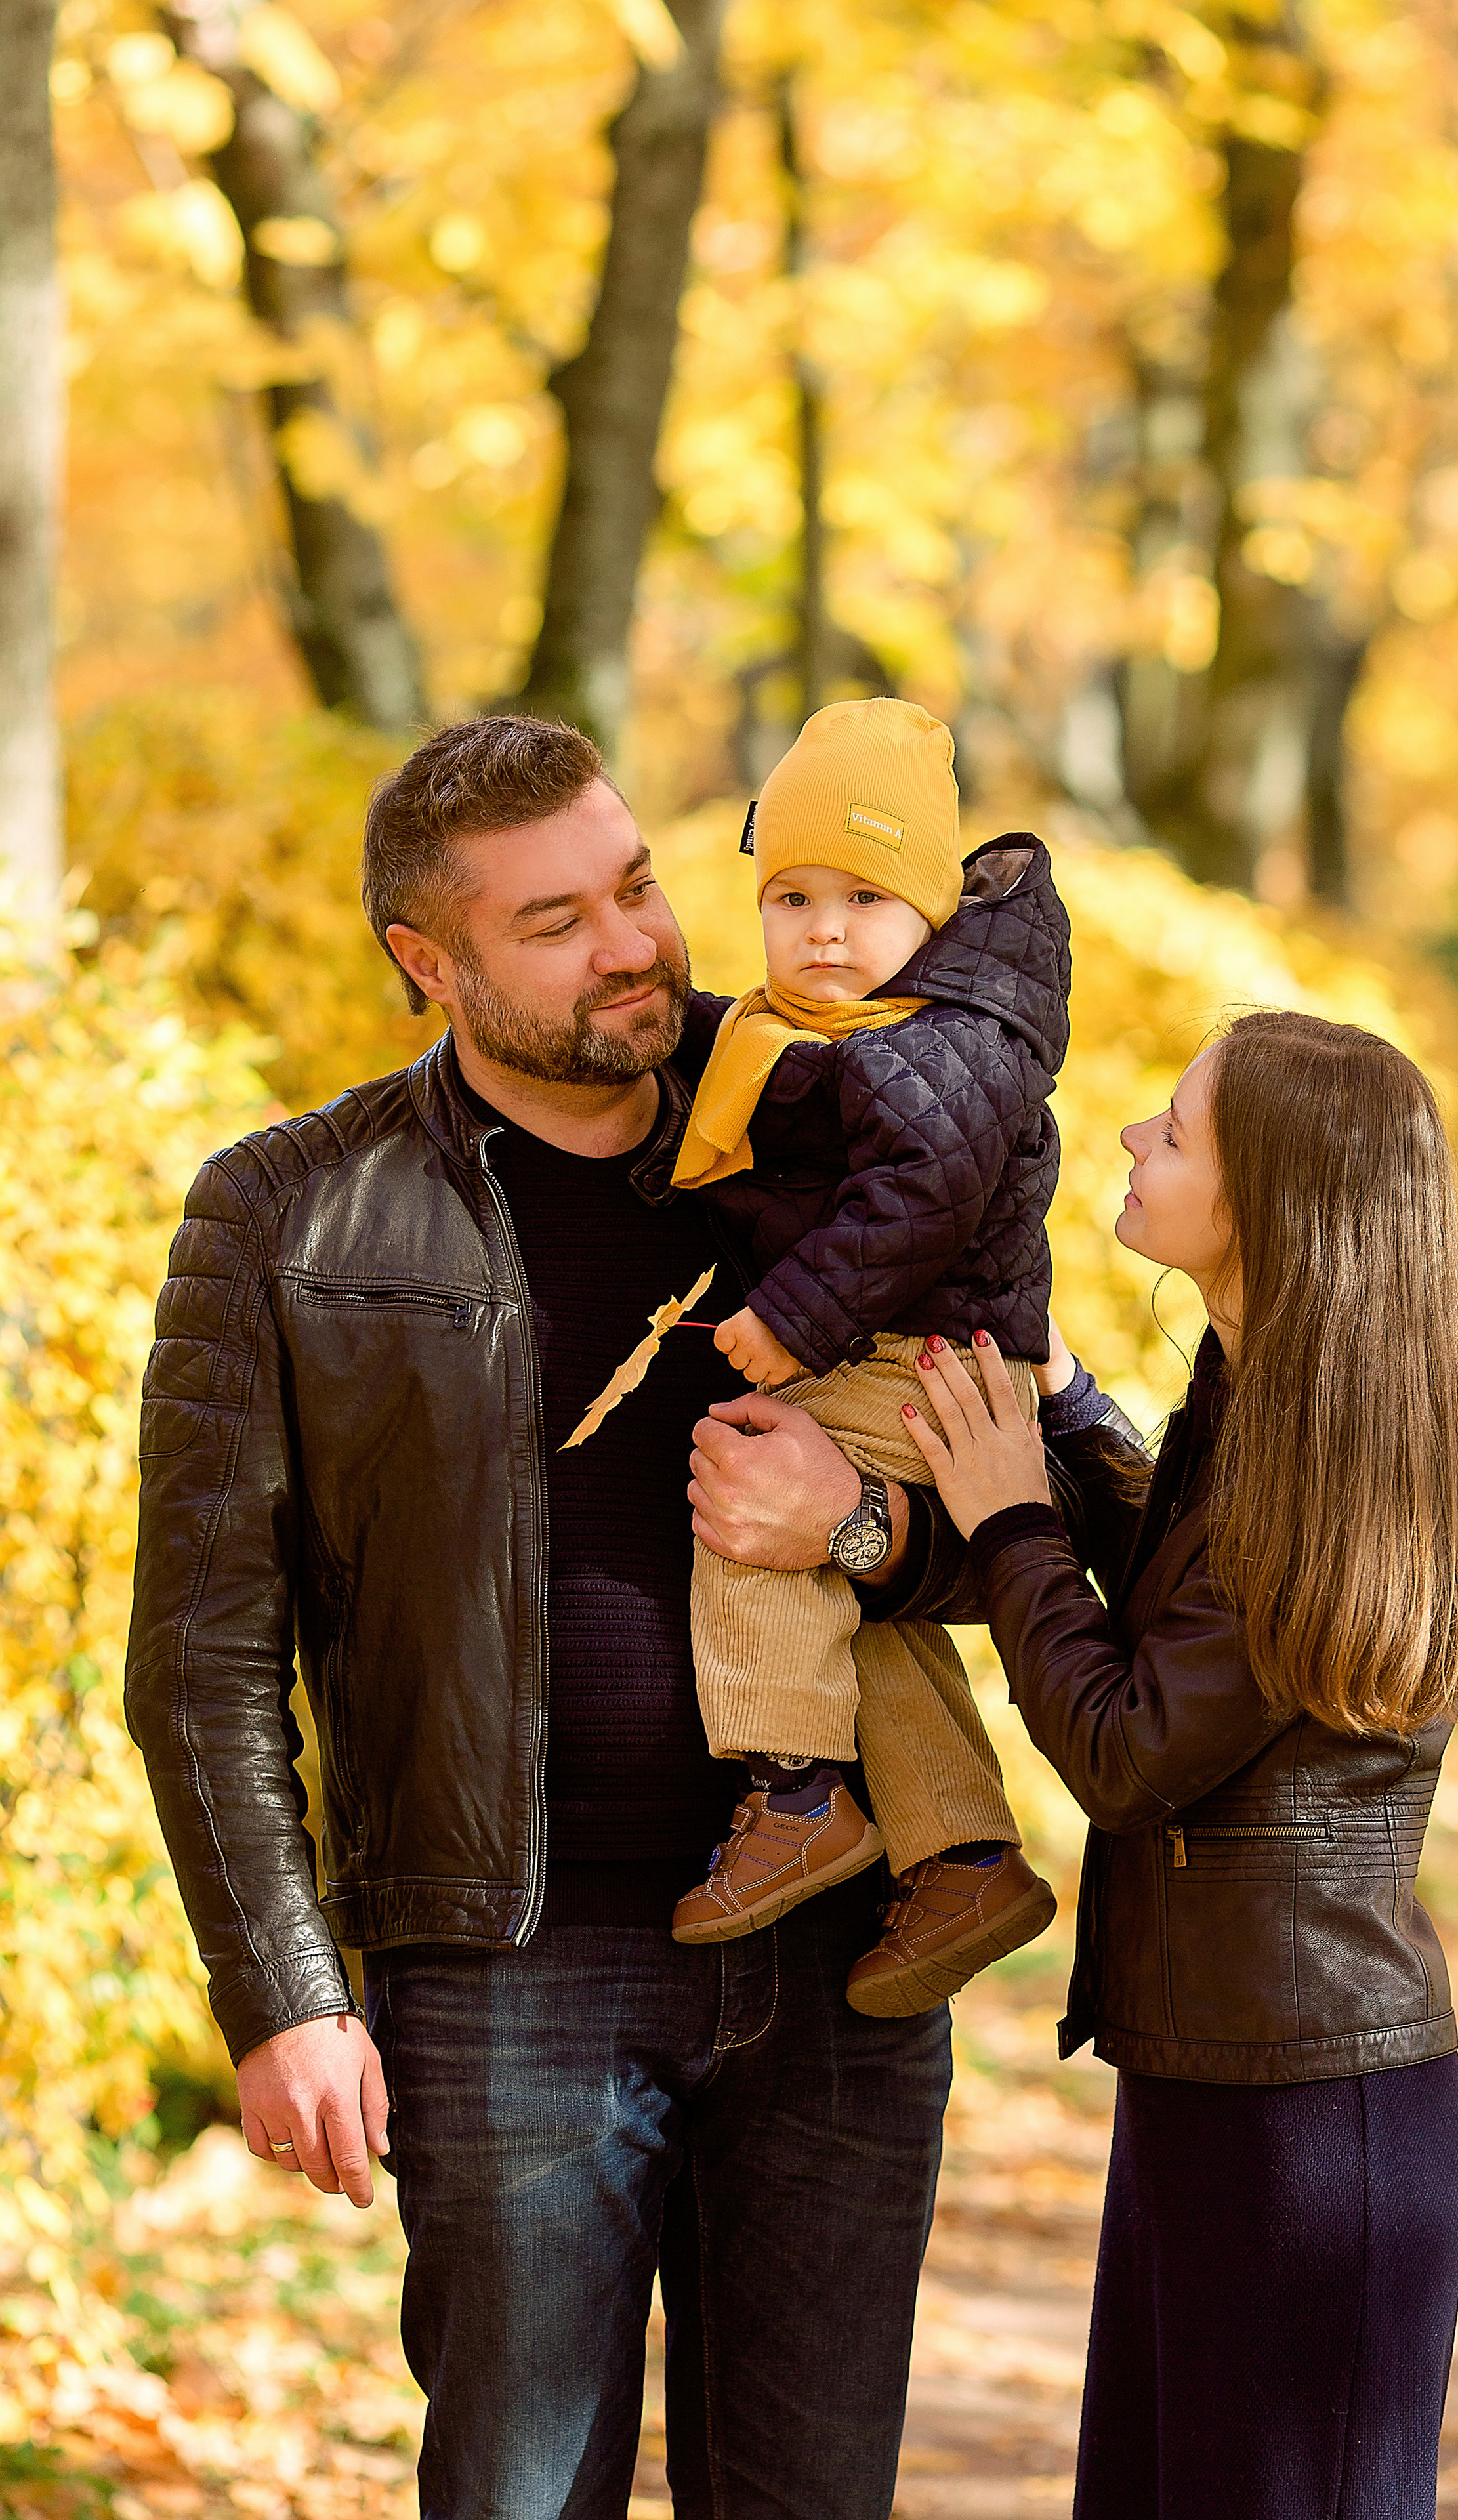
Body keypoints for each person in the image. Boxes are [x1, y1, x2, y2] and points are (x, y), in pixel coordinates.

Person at [123, 715, 988, 2520]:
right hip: (511, 1973)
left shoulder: (838, 1155)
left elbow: (1038, 1513)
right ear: (423, 964)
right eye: (553, 923)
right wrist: (283, 1995)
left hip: (845, 1958)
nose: (635, 947)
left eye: (639, 884)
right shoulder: (283, 1216)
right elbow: (203, 1659)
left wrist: (867, 1537)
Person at [892, 1010, 1458, 2520]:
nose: (1127, 1141)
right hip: (1220, 2087)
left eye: (1172, 1133)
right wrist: (1064, 1412)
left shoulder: (1318, 1472)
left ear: (1270, 1209)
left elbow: (1130, 1744)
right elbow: (1186, 1614)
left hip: (1306, 2131)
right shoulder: (1274, 1414)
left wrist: (1006, 1521)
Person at [667, 696, 1066, 2015]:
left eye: (861, 897)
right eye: (789, 896)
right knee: (844, 1587)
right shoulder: (828, 1032)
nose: (822, 930)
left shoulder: (945, 1045)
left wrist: (791, 1321)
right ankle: (962, 1854)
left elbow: (917, 1199)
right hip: (919, 1349)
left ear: (934, 912)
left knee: (753, 1488)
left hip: (927, 1358)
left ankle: (795, 1789)